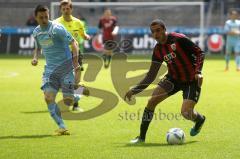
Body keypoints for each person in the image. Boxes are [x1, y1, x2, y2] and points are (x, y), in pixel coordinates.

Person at [124, 19, 206, 144]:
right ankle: (141, 138)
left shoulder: (178, 39)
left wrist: (198, 72)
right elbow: (151, 75)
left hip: (191, 80)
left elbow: (200, 53)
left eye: (158, 30)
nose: (156, 34)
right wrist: (134, 90)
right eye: (153, 32)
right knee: (151, 101)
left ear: (164, 29)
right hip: (173, 79)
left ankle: (199, 120)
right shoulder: (157, 50)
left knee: (186, 113)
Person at [31, 5, 81, 135]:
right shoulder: (36, 32)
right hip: (50, 70)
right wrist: (35, 58)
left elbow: (74, 43)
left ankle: (78, 94)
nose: (44, 20)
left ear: (49, 15)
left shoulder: (57, 29)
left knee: (68, 101)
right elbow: (37, 47)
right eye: (41, 17)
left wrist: (75, 63)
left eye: (46, 17)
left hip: (65, 68)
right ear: (36, 17)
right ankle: (62, 126)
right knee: (48, 97)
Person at [55, 0, 91, 111]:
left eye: (68, 8)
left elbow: (83, 34)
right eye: (63, 9)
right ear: (61, 10)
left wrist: (86, 37)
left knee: (77, 81)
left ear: (71, 9)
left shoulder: (78, 22)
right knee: (66, 81)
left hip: (76, 53)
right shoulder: (56, 23)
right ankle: (75, 96)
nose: (66, 11)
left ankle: (76, 104)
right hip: (62, 55)